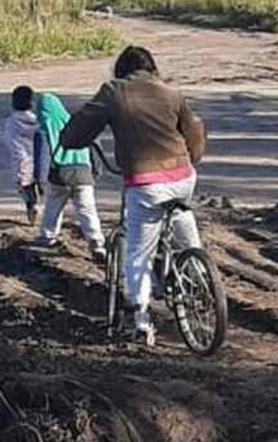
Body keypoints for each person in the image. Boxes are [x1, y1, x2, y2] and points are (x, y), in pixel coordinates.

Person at [60, 45, 207, 345]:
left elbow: (78, 130)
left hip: (146, 183)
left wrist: (71, 139)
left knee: (138, 252)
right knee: (182, 221)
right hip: (183, 176)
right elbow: (194, 131)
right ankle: (200, 274)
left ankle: (141, 320)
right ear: (152, 68)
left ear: (121, 69)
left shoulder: (114, 91)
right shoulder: (170, 91)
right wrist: (191, 159)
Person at [35, 92, 106, 258]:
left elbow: (42, 157)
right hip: (84, 174)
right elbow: (93, 147)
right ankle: (96, 242)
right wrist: (95, 172)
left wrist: (39, 179)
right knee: (87, 210)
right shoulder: (75, 124)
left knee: (53, 206)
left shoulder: (44, 129)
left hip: (60, 174)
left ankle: (48, 236)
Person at [1, 85, 45, 223]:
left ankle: (31, 207)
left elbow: (10, 140)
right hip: (39, 159)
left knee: (25, 186)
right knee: (40, 183)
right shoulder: (38, 120)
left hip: (21, 157)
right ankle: (38, 206)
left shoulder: (11, 122)